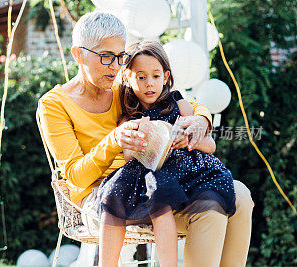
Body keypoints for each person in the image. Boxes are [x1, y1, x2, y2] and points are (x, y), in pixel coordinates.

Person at [38, 11, 254, 267]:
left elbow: (182, 102)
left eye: (121, 57)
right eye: (107, 57)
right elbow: (76, 175)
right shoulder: (54, 104)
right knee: (211, 205)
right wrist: (114, 139)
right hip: (105, 197)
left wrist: (201, 119)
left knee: (240, 194)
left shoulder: (125, 85)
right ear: (78, 54)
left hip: (155, 177)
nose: (116, 67)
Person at [96, 40, 237, 266]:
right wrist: (143, 139)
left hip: (184, 168)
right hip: (149, 171)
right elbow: (129, 156)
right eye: (141, 77)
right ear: (127, 78)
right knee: (125, 194)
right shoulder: (129, 117)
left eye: (156, 76)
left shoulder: (178, 104)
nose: (149, 84)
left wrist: (189, 139)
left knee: (163, 190)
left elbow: (210, 145)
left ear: (166, 76)